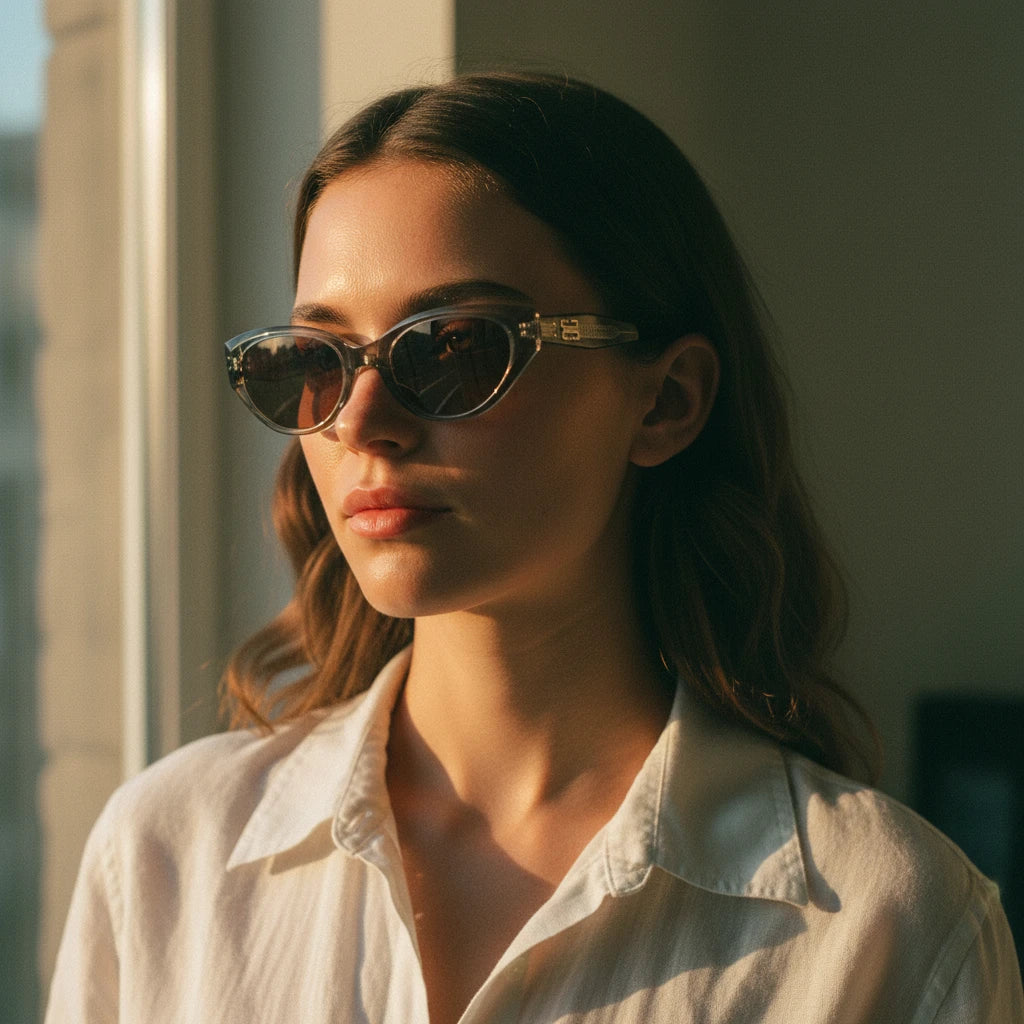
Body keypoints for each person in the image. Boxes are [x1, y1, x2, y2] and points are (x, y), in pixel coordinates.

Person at [46, 72, 1022, 1023]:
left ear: (666, 399)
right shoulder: (169, 852)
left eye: (454, 347)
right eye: (314, 359)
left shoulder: (887, 925)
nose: (363, 422)